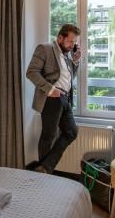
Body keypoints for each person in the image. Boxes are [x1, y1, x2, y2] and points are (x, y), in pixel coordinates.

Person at [26, 24, 81, 174]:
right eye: (70, 42)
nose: (72, 45)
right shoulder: (45, 49)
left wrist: (75, 62)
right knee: (48, 136)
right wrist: (51, 90)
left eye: (74, 43)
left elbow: (69, 79)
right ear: (60, 38)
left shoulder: (67, 56)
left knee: (71, 132)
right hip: (52, 98)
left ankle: (44, 167)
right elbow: (31, 72)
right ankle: (44, 173)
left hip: (65, 99)